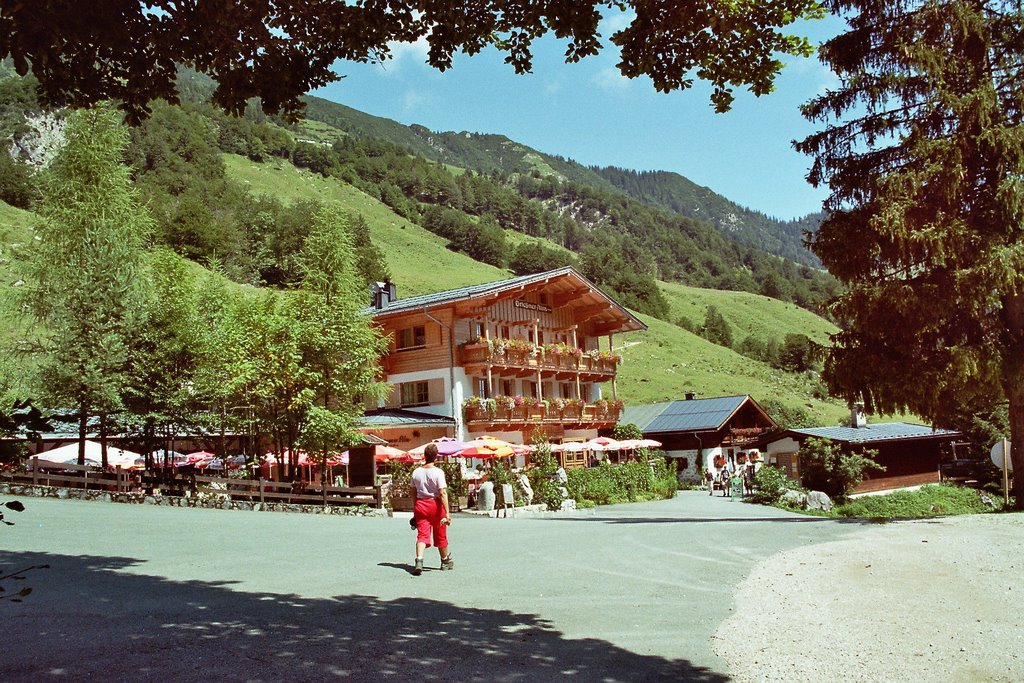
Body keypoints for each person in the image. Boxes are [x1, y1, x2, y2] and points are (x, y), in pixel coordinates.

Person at [410, 444, 453, 576]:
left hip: (421, 504)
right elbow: (443, 493)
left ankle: (419, 560)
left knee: (422, 535)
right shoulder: (438, 472)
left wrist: (415, 507)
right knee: (440, 533)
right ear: (435, 456)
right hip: (435, 505)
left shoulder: (416, 472)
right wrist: (447, 513)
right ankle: (445, 561)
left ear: (425, 455)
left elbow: (413, 491)